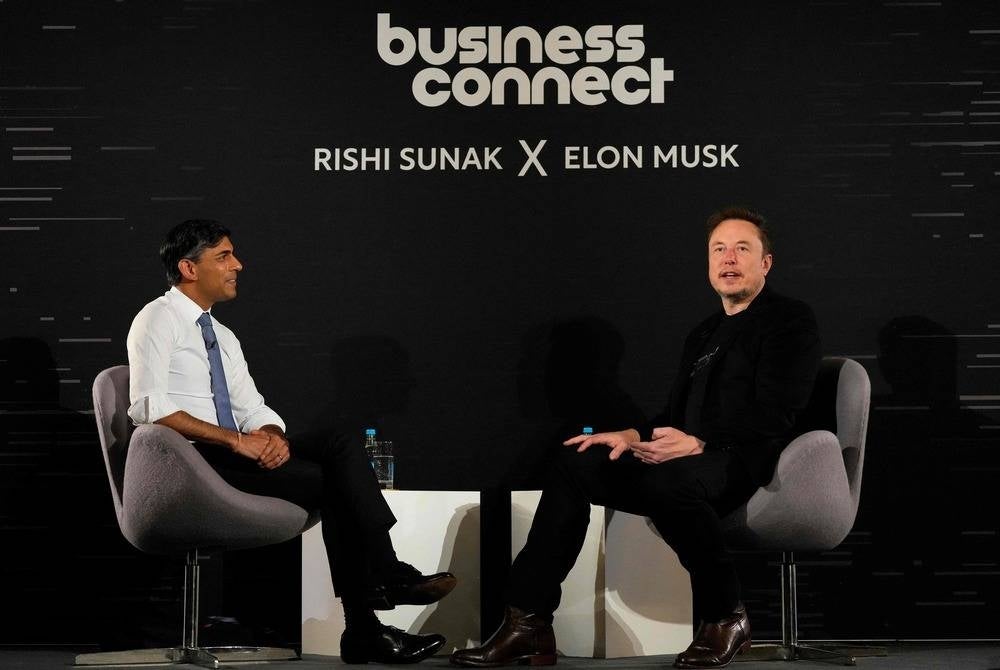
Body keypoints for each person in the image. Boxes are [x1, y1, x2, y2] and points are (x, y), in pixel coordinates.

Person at [451, 207, 821, 669]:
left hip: (745, 459)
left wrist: (701, 441)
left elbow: (778, 410)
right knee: (575, 463)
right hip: (689, 458)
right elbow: (673, 416)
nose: (729, 258)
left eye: (742, 248)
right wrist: (630, 434)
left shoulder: (789, 320)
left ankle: (725, 614)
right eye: (718, 249)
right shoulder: (704, 332)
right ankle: (528, 621)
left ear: (765, 263)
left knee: (669, 483)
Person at [127, 219, 455, 664]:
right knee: (335, 483)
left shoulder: (222, 336)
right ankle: (375, 603)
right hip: (189, 462)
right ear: (188, 267)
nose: (237, 265)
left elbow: (254, 408)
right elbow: (149, 407)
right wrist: (236, 442)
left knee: (338, 445)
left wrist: (272, 436)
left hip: (231, 453)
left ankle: (376, 602)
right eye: (223, 256)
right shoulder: (156, 318)